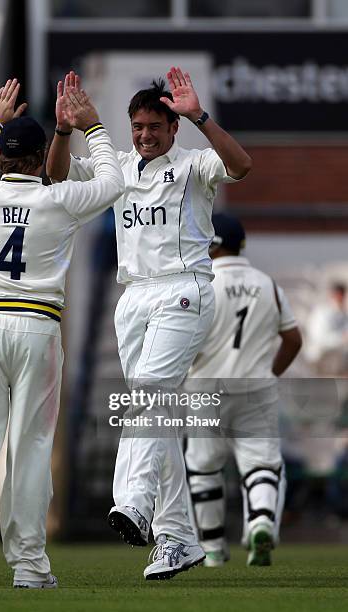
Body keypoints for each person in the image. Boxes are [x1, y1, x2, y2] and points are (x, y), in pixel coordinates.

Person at [47, 67, 252, 579]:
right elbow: (54, 176)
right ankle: (179, 539)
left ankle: (133, 501)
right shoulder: (117, 167)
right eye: (137, 126)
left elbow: (242, 166)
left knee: (151, 397)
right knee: (157, 417)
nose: (144, 135)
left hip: (184, 289)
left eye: (154, 127)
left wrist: (201, 116)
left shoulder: (193, 165)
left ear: (172, 128)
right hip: (133, 297)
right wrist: (64, 129)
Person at [0, 78, 124, 589]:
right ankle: (28, 566)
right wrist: (92, 127)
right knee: (32, 447)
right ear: (42, 157)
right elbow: (111, 183)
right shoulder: (59, 201)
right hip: (38, 329)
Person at [181, 213, 302, 566]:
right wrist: (271, 372)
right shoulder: (269, 285)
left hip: (205, 387)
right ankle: (261, 521)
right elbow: (293, 340)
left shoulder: (199, 284)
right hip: (255, 387)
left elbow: (184, 342)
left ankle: (214, 550)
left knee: (204, 469)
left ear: (213, 243)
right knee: (261, 465)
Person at [304, 282, 348, 376]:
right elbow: (318, 339)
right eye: (339, 296)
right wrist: (341, 338)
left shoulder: (343, 315)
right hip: (320, 360)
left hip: (338, 362)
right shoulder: (321, 313)